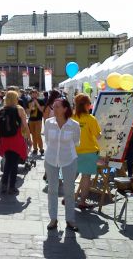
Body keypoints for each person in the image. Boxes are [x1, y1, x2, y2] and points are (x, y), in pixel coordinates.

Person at [44, 98, 80, 232]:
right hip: (51, 159)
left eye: (57, 106)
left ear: (65, 108)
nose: (54, 109)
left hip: (69, 159)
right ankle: (53, 218)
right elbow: (47, 140)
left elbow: (76, 142)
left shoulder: (74, 125)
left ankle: (70, 219)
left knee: (69, 191)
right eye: (54, 106)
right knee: (52, 190)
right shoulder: (48, 123)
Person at [0, 91, 31, 194]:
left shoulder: (1, 110)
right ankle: (11, 186)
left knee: (8, 161)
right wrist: (29, 139)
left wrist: (0, 141)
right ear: (15, 98)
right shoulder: (19, 109)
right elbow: (25, 126)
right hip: (16, 138)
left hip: (5, 139)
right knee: (14, 163)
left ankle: (4, 184)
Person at [71, 93, 101, 209]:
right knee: (86, 177)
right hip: (88, 152)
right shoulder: (90, 119)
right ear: (86, 105)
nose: (90, 105)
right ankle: (82, 201)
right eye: (89, 103)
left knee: (71, 176)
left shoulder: (71, 118)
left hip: (73, 151)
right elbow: (98, 137)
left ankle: (67, 197)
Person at [27, 89, 45, 155]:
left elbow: (42, 110)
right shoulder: (28, 101)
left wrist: (36, 103)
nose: (34, 95)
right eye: (32, 93)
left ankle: (41, 148)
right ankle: (35, 149)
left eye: (35, 93)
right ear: (31, 94)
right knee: (33, 135)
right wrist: (31, 105)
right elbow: (27, 112)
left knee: (38, 134)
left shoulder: (41, 101)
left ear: (37, 94)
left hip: (38, 120)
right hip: (31, 120)